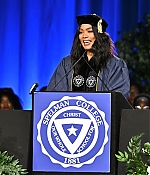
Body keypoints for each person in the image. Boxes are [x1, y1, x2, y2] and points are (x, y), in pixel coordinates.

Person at [47, 14, 130, 98]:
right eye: (81, 32)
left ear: (100, 36)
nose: (84, 36)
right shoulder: (67, 63)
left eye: (89, 31)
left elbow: (118, 98)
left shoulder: (114, 65)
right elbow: (54, 94)